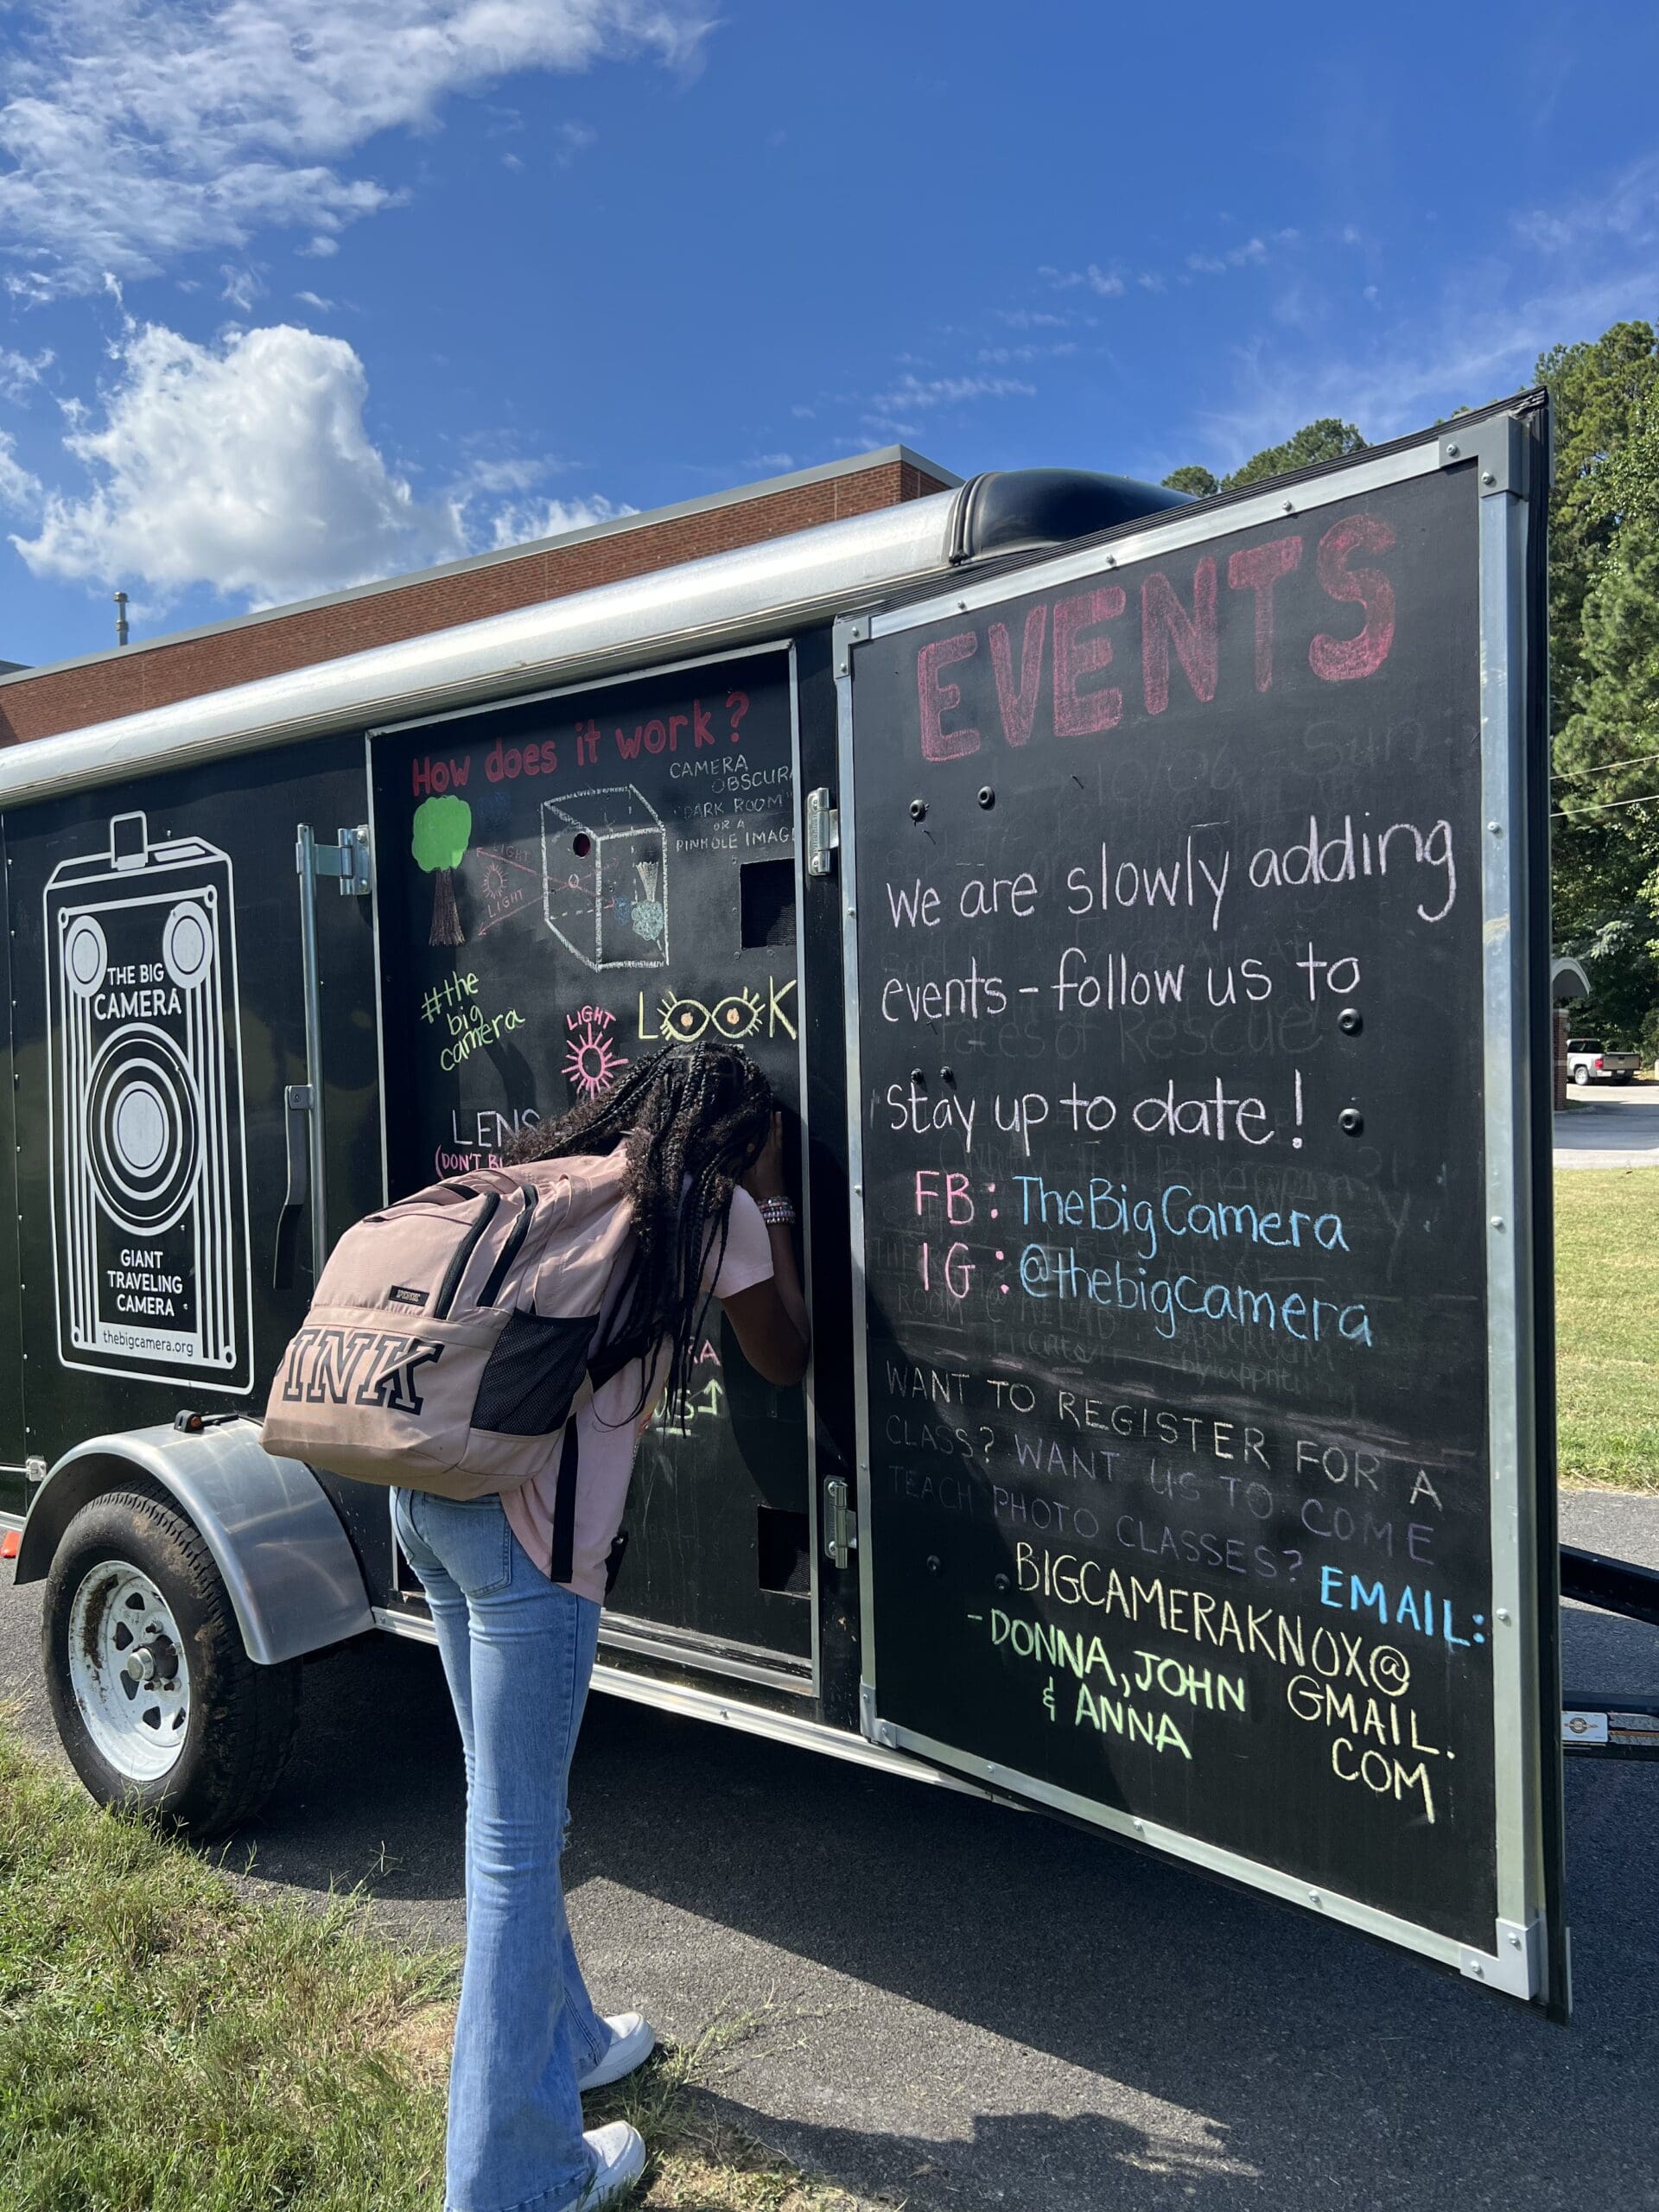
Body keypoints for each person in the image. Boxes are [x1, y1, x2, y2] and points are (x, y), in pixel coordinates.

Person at [391, 1039, 810, 2212]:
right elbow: (784, 1352)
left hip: (426, 1501)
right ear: (731, 1138)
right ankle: (511, 2178)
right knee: (515, 1844)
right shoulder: (705, 1211)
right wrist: (772, 1189)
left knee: (502, 1807)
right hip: (528, 1545)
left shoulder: (551, 1181)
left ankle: (565, 2039)